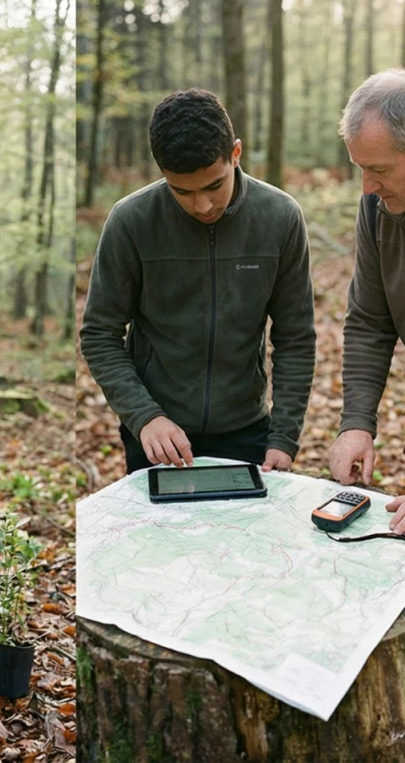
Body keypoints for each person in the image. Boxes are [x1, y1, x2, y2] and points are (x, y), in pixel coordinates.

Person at [81, 89, 315, 474]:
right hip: (157, 435)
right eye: (182, 192)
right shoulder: (131, 222)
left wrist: (284, 436)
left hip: (247, 431)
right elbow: (99, 334)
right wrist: (144, 416)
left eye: (213, 186)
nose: (202, 206)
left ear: (235, 154)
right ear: (161, 172)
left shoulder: (280, 217)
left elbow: (296, 336)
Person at [326, 69, 405, 534]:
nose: (367, 188)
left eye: (378, 169)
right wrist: (356, 424)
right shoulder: (377, 207)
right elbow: (371, 322)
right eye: (360, 169)